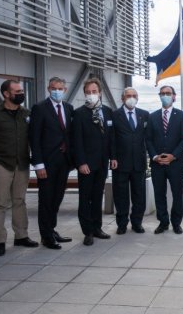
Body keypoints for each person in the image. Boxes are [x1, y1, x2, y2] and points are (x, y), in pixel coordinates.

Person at [0, 79, 38, 256]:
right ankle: (0, 240)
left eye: (21, 91)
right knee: (0, 203)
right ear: (6, 94)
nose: (21, 94)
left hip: (22, 164)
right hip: (2, 164)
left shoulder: (26, 114)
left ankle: (21, 236)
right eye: (17, 91)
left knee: (19, 201)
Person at [29, 76, 74, 250]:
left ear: (65, 90)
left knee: (57, 198)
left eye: (60, 88)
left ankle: (52, 229)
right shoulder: (40, 108)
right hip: (46, 164)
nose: (57, 91)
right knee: (46, 199)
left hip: (64, 162)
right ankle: (46, 236)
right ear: (49, 89)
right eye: (54, 88)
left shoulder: (68, 108)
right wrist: (38, 164)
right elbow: (34, 138)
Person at [72, 78, 114, 246]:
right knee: (85, 198)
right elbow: (76, 141)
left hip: (102, 163)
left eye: (94, 92)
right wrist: (81, 162)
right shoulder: (79, 113)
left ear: (100, 93)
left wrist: (113, 157)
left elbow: (111, 137)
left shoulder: (108, 111)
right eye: (88, 92)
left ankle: (97, 227)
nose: (91, 95)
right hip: (86, 165)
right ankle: (87, 231)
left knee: (97, 197)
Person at [146, 85, 183, 235]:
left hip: (175, 162)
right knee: (159, 193)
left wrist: (173, 156)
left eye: (168, 93)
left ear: (174, 96)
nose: (165, 95)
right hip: (157, 163)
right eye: (162, 93)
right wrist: (155, 156)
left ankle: (176, 223)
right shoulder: (152, 116)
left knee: (177, 193)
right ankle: (163, 222)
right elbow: (148, 140)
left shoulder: (182, 116)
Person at [110, 87, 150, 235]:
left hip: (139, 162)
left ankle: (137, 222)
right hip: (120, 163)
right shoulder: (115, 115)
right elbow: (112, 138)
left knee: (139, 195)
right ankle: (121, 224)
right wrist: (112, 157)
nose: (131, 98)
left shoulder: (144, 115)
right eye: (128, 96)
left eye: (134, 95)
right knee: (121, 195)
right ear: (122, 98)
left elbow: (148, 137)